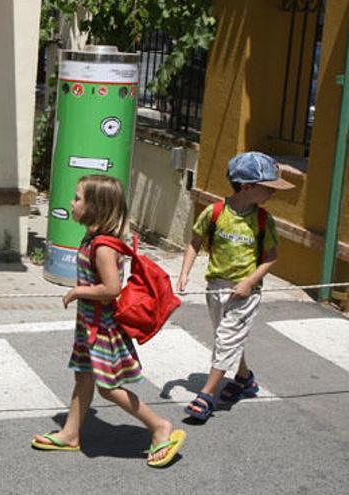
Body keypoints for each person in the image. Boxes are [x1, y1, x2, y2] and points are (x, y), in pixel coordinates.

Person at [31, 174, 186, 468]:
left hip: (101, 327)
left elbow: (112, 289)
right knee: (83, 376)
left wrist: (79, 291)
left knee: (107, 386)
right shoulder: (92, 238)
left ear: (96, 207)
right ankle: (70, 433)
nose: (72, 203)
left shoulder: (103, 246)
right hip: (89, 324)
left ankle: (159, 426)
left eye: (77, 198)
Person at [177, 151, 294, 421]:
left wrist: (249, 282)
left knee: (227, 339)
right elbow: (195, 241)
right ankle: (244, 379)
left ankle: (206, 395)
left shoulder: (264, 220)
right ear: (247, 186)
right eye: (268, 188)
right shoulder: (215, 212)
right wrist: (184, 273)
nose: (273, 193)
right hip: (215, 287)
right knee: (226, 338)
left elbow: (271, 257)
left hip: (245, 292)